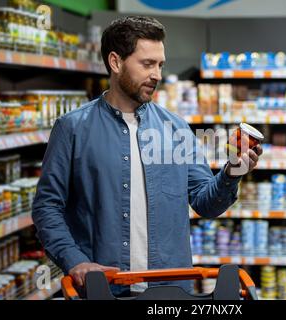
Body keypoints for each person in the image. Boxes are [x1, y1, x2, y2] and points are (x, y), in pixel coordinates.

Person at [32, 16, 262, 297]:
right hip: (102, 290)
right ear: (116, 62)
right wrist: (75, 261)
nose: (157, 75)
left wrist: (232, 173)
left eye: (160, 64)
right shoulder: (72, 129)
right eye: (147, 64)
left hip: (170, 290)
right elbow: (47, 207)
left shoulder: (175, 128)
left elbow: (204, 203)